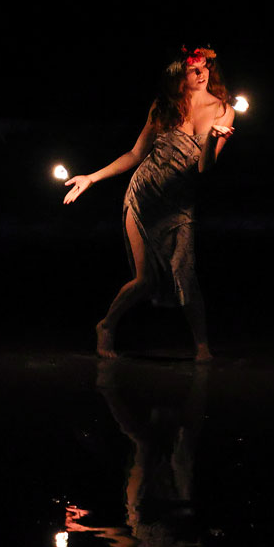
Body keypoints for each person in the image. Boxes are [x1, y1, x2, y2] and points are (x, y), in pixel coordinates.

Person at [63, 45, 235, 362]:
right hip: (143, 196)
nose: (201, 72)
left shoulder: (223, 111)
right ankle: (106, 326)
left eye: (205, 66)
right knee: (145, 280)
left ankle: (201, 347)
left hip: (179, 204)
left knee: (186, 273)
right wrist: (91, 177)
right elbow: (134, 154)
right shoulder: (164, 107)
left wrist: (211, 138)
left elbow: (203, 168)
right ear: (180, 78)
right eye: (193, 69)